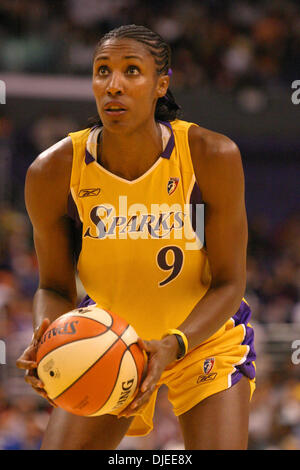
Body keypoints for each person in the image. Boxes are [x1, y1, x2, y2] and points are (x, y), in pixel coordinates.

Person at [16, 24, 256, 450]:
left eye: (131, 71)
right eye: (102, 71)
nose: (113, 85)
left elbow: (229, 283)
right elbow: (53, 286)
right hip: (107, 339)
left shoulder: (210, 156)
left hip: (201, 339)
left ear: (161, 84)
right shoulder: (52, 171)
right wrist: (46, 335)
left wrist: (172, 345)